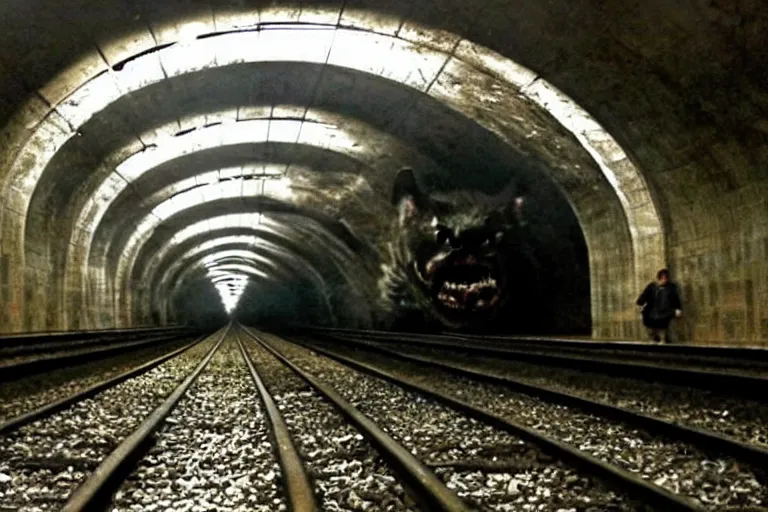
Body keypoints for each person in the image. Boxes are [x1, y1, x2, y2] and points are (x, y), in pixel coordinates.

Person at [636, 268, 683, 343]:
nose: (664, 280)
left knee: (663, 326)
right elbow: (644, 296)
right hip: (652, 311)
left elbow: (675, 299)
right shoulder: (652, 286)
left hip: (665, 311)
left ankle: (662, 339)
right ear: (659, 278)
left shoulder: (670, 288)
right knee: (649, 324)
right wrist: (641, 303)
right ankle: (653, 338)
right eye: (662, 278)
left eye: (665, 278)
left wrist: (678, 309)